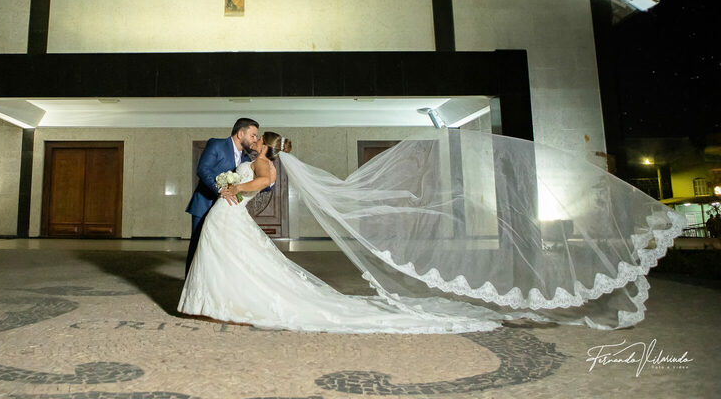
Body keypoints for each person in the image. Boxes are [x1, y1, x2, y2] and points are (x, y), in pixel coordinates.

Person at [179, 129, 686, 333]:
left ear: (265, 146)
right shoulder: (253, 158)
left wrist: (232, 188)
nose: (252, 142)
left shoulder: (264, 165)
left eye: (257, 139)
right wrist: (229, 186)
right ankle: (215, 300)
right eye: (252, 138)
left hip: (231, 211)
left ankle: (224, 301)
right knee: (233, 260)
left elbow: (259, 185)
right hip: (228, 214)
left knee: (243, 262)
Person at [184, 117, 261, 276]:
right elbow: (203, 169)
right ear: (240, 133)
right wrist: (219, 189)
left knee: (221, 250)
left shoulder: (247, 159)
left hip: (227, 212)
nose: (255, 139)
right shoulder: (216, 144)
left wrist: (269, 181)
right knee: (198, 248)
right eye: (253, 135)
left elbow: (251, 183)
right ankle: (190, 285)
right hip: (205, 204)